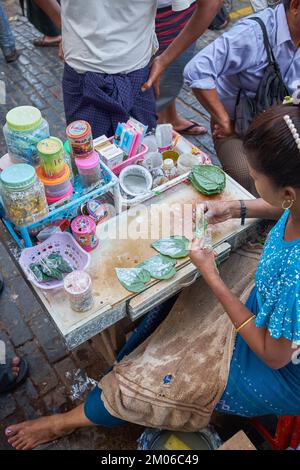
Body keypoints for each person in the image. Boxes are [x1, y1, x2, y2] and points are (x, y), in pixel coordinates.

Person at [5, 102, 300, 450]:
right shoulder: (292, 202)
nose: (250, 179)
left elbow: (273, 355)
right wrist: (233, 207)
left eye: (255, 176)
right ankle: (138, 356)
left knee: (151, 382)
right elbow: (280, 208)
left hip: (277, 368)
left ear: (288, 192)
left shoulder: (296, 279)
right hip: (266, 309)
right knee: (172, 317)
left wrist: (212, 275)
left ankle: (64, 421)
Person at [32, 0, 222, 139]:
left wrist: (164, 61)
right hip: (95, 76)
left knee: (130, 161)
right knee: (93, 164)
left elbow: (211, 4)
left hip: (133, 79)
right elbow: (211, 4)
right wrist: (65, 25)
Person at [183, 0, 300, 194]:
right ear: (296, 5)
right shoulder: (253, 33)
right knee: (256, 183)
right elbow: (197, 70)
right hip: (238, 132)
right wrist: (223, 120)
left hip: (281, 131)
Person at [156, 0, 207, 136]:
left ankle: (171, 118)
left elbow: (212, 5)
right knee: (158, 81)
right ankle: (159, 127)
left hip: (181, 17)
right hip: (141, 19)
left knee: (170, 77)